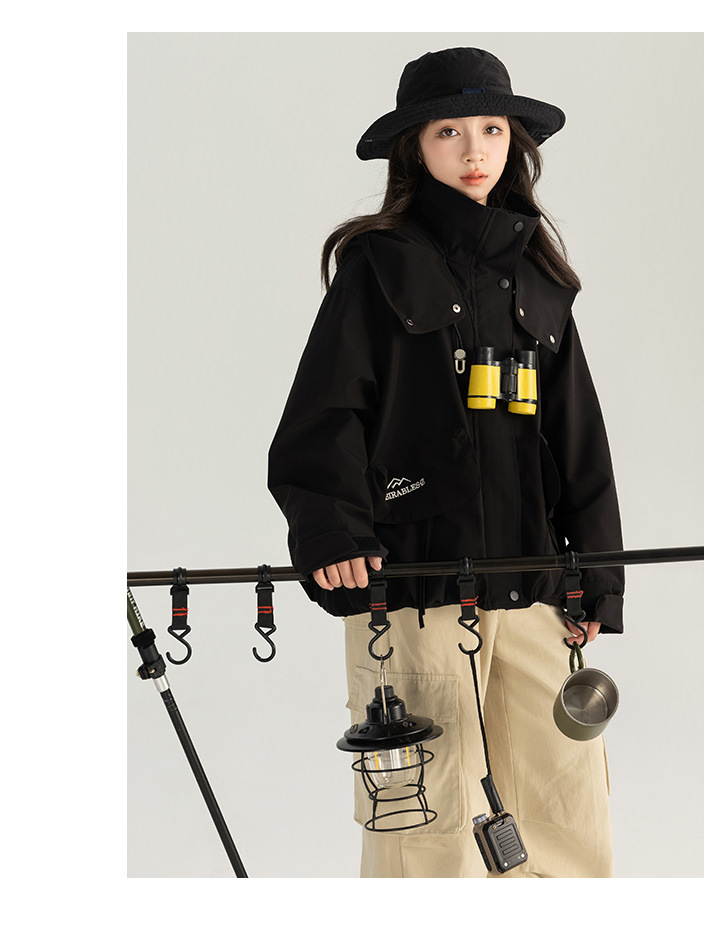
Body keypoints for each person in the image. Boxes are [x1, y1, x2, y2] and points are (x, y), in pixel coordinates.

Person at [267, 47, 624, 878]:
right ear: (414, 149)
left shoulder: (540, 276)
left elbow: (579, 435)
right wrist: (333, 531)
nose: (474, 151)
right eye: (449, 132)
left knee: (564, 808)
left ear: (514, 144)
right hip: (413, 589)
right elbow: (322, 416)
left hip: (534, 588)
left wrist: (596, 579)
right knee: (426, 821)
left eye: (492, 130)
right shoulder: (378, 266)